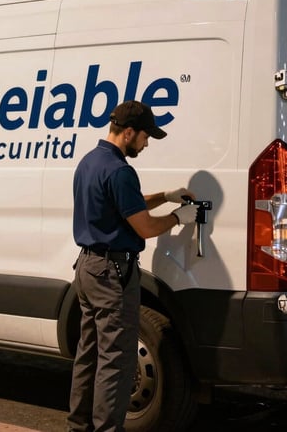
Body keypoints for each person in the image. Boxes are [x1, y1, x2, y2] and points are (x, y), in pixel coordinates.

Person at [67, 100, 198, 432]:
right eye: (145, 135)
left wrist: (165, 196)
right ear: (128, 132)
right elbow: (144, 227)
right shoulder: (121, 171)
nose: (147, 142)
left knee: (89, 356)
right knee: (116, 363)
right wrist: (177, 217)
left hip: (87, 269)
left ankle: (78, 427)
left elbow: (123, 204)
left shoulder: (90, 162)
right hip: (112, 276)